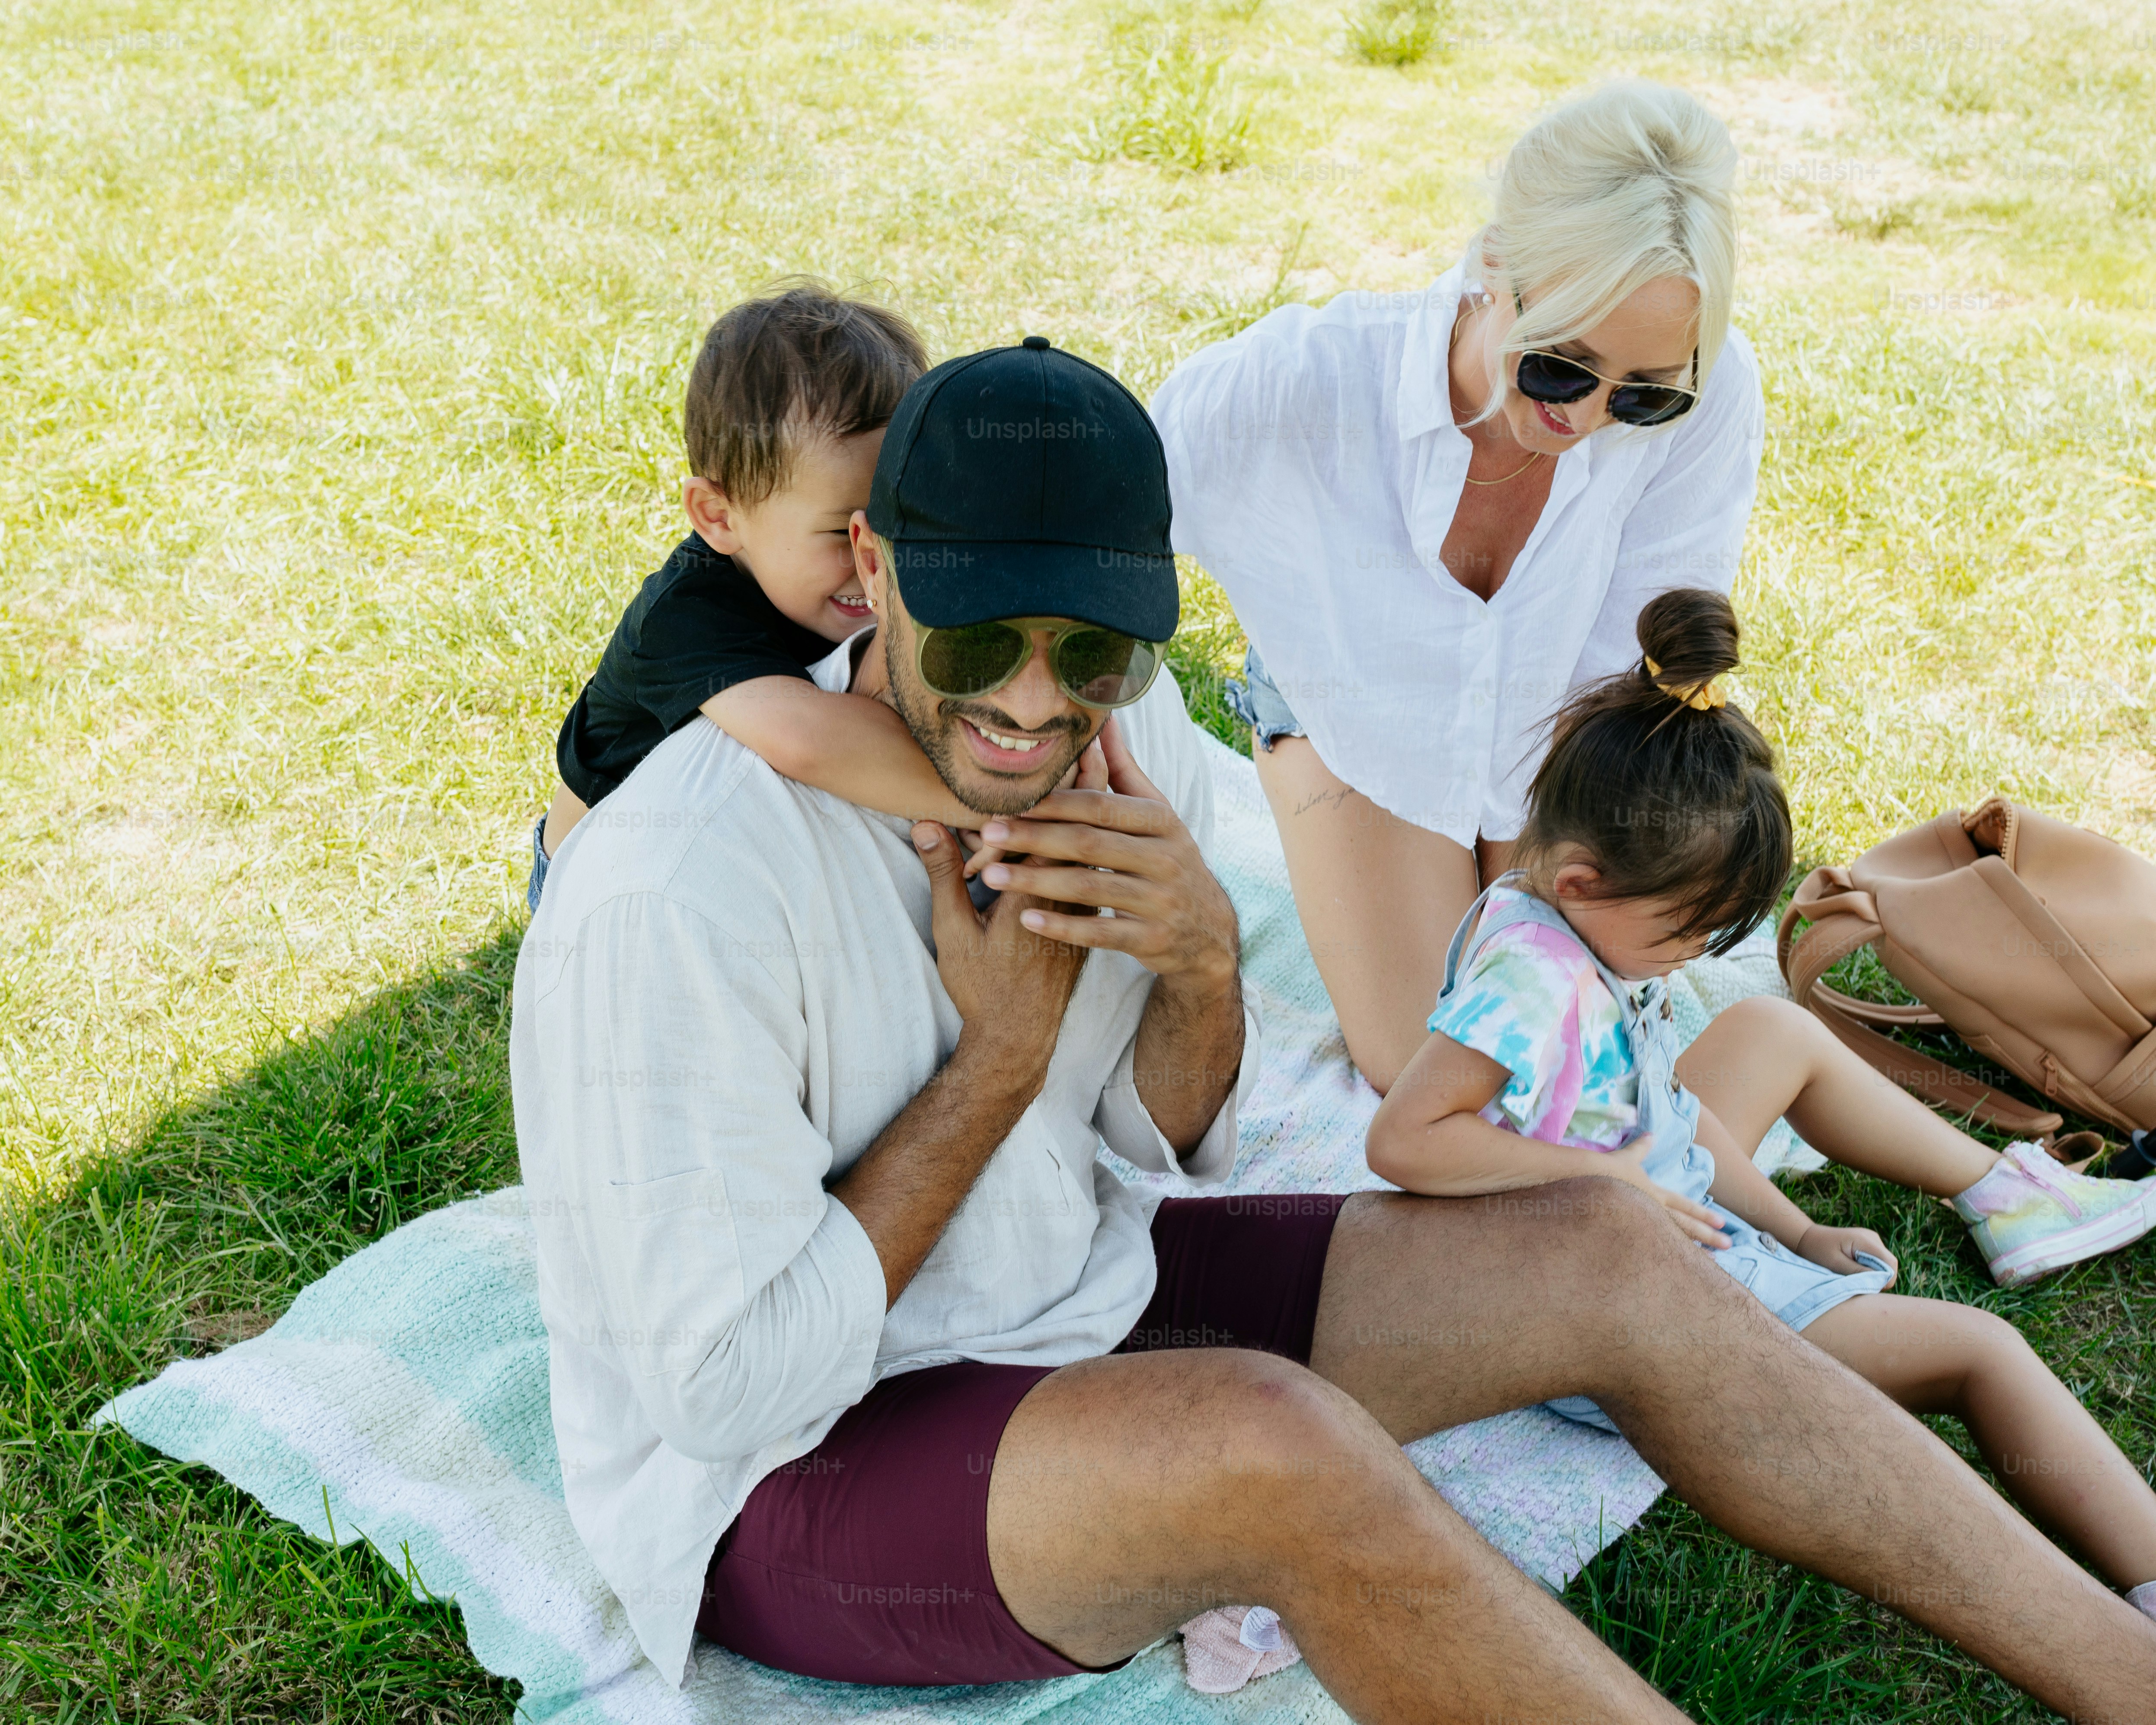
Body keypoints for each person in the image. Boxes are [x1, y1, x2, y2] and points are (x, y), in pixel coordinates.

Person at [510, 339, 2156, 1719]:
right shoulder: (678, 892)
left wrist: (1200, 968)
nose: (1029, 701)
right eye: (972, 642)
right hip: (782, 1482)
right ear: (870, 571)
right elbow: (724, 1392)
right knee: (1268, 1445)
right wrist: (995, 1058)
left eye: (1085, 647)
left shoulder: (1113, 728)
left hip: (1057, 1298)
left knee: (1606, 1244)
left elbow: (1151, 1143)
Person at [1366, 587, 2156, 1619]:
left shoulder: (1559, 923)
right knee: (1981, 1353)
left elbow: (1664, 1131)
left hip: (1633, 1215)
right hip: (1608, 1309)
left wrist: (1793, 1226)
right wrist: (1604, 1179)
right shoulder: (1535, 986)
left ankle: (2008, 1198)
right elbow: (1405, 1140)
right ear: (1578, 881)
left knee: (1772, 1032)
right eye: (1688, 932)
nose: (1697, 958)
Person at [1152, 80, 1763, 1094]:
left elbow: (1640, 653)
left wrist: (1541, 862)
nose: (1593, 416)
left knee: (1554, 1065)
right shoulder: (1307, 379)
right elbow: (1089, 515)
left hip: (1553, 732)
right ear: (1493, 264)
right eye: (1562, 369)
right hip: (1353, 717)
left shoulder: (1710, 388)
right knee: (1428, 1061)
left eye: (1645, 393)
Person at [530, 281, 1010, 910]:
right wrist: (1004, 802)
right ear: (719, 516)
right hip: (601, 888)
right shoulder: (685, 617)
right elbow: (810, 740)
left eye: (905, 522)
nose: (880, 559)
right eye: (845, 532)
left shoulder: (824, 581)